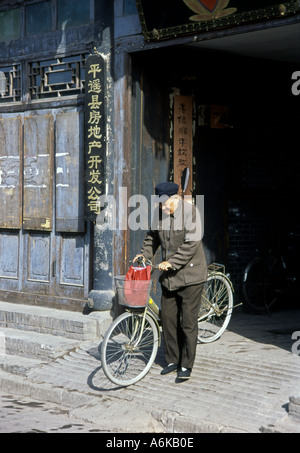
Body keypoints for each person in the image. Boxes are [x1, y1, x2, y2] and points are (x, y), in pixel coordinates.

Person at [134, 182, 207, 381]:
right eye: (160, 205)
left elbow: (192, 243)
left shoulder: (191, 212)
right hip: (169, 278)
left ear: (176, 198)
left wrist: (172, 262)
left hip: (190, 276)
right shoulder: (159, 214)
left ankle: (186, 364)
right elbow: (152, 238)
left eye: (166, 205)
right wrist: (144, 256)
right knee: (167, 319)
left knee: (188, 323)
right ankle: (172, 360)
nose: (163, 209)